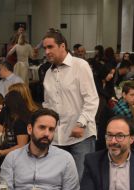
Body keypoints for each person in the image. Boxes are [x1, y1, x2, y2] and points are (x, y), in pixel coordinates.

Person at [42, 30, 98, 180]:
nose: (46, 52)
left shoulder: (80, 65)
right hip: (57, 138)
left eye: (50, 47)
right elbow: (48, 105)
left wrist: (81, 123)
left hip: (81, 136)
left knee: (81, 182)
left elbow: (92, 99)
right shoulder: (48, 74)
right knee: (57, 182)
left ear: (62, 46)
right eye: (45, 48)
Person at [0, 108, 79, 190]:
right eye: (42, 127)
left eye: (51, 129)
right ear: (30, 129)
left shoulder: (65, 159)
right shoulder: (12, 157)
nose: (47, 133)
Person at [0, 91, 32, 190]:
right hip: (9, 153)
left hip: (20, 157)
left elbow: (21, 146)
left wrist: (1, 152)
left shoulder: (21, 121)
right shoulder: (9, 114)